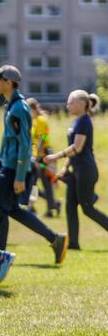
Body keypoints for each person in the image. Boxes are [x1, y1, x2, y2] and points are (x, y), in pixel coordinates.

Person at [0, 65, 68, 263]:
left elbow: (25, 143)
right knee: (11, 209)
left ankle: (0, 257)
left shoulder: (18, 108)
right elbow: (12, 140)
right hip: (9, 163)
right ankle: (55, 239)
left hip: (14, 168)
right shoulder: (11, 105)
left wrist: (20, 176)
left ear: (8, 82)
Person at [44, 90, 108, 250]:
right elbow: (74, 151)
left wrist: (55, 157)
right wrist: (66, 167)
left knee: (87, 208)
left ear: (81, 104)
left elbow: (77, 148)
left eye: (71, 102)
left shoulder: (85, 121)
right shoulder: (77, 121)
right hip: (75, 171)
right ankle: (73, 243)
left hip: (86, 170)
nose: (67, 105)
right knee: (70, 206)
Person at [27, 97, 60, 217]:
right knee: (34, 183)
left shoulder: (40, 120)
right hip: (37, 155)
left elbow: (43, 137)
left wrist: (38, 155)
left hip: (43, 155)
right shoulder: (34, 120)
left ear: (33, 108)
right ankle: (32, 206)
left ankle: (52, 207)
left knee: (45, 183)